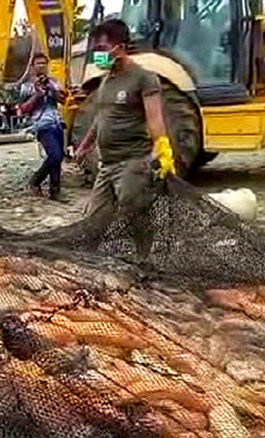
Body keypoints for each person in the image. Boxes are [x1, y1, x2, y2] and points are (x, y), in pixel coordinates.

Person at [75, 19, 176, 259]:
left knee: (135, 211)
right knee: (94, 216)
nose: (98, 55)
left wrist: (161, 147)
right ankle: (90, 259)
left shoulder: (143, 78)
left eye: (101, 49)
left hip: (132, 161)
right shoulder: (106, 80)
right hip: (107, 165)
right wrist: (84, 146)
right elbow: (101, 117)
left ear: (119, 47)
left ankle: (144, 258)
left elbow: (154, 118)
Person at [18, 53, 67, 200]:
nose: (42, 66)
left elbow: (63, 100)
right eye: (38, 63)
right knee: (54, 155)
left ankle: (55, 191)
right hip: (42, 125)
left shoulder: (53, 82)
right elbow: (22, 109)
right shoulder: (26, 86)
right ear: (32, 66)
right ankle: (35, 181)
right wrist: (37, 95)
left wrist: (51, 90)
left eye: (44, 63)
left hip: (57, 123)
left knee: (58, 158)